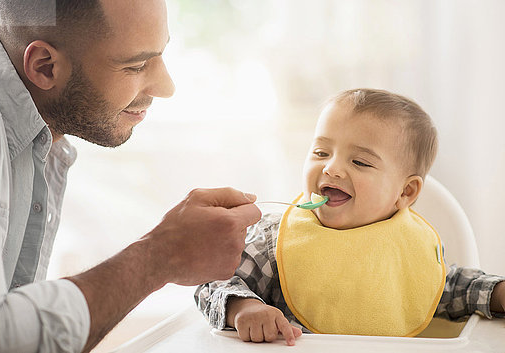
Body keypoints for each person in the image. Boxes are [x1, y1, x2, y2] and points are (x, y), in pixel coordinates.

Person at [0, 0, 261, 352]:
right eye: (136, 66)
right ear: (44, 67)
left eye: (159, 55)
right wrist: (161, 255)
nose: (166, 86)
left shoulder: (41, 141)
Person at [195, 89, 505, 346]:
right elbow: (213, 280)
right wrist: (243, 307)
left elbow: (449, 289)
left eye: (359, 161)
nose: (331, 168)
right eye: (320, 153)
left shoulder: (407, 247)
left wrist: (496, 294)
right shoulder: (275, 238)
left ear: (406, 192)